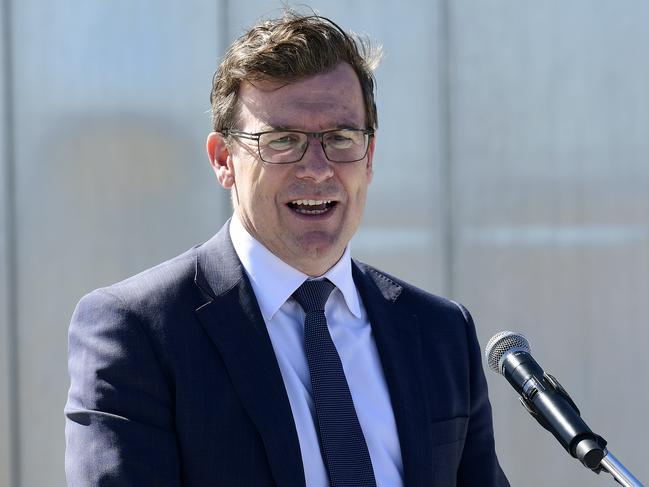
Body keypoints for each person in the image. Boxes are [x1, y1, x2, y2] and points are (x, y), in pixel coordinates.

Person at [65, 10, 509, 487]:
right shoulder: (139, 332)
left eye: (340, 138)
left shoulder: (440, 333)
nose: (317, 168)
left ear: (370, 156)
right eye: (283, 141)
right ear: (223, 160)